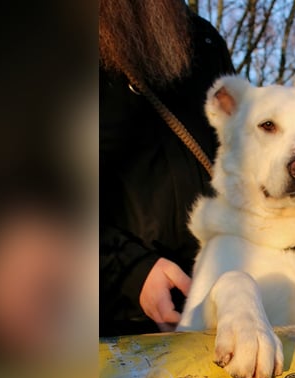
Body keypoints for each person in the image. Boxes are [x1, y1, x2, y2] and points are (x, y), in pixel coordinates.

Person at [99, 0, 234, 336]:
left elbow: (237, 157)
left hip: (217, 303)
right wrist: (132, 272)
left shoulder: (204, 40)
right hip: (107, 321)